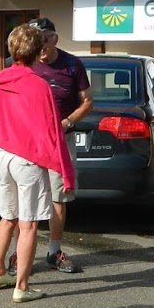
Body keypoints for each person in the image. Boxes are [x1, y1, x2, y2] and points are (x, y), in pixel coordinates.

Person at [0, 24, 75, 304]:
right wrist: (65, 171)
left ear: (11, 49)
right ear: (38, 51)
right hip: (27, 159)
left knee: (8, 218)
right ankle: (22, 286)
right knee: (28, 225)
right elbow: (53, 130)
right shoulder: (40, 85)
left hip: (0, 155)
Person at [26, 17, 93, 273]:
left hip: (60, 141)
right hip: (30, 142)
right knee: (27, 197)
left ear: (55, 38)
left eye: (45, 39)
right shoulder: (26, 64)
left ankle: (54, 251)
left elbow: (87, 102)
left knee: (58, 196)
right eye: (36, 40)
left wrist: (67, 122)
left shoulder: (72, 64)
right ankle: (20, 254)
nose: (41, 45)